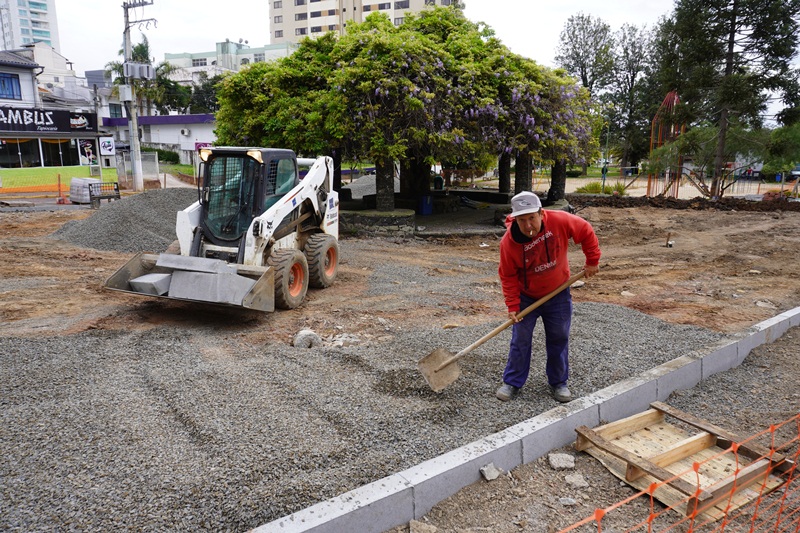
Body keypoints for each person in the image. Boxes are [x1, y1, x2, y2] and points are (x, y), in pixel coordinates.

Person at [496, 191, 601, 403]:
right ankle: (512, 382)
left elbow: (586, 231)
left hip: (558, 293)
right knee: (520, 339)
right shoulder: (509, 243)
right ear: (514, 219)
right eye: (522, 220)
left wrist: (592, 260)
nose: (528, 226)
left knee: (559, 337)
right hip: (527, 298)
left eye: (532, 218)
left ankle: (558, 382)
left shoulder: (560, 221)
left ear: (541, 213)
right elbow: (507, 275)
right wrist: (513, 305)